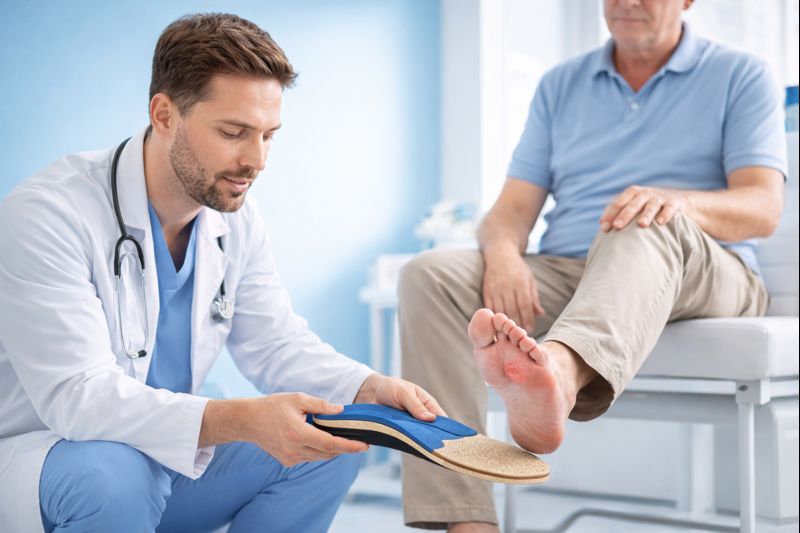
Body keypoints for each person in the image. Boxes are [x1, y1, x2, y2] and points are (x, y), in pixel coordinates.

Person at [0, 13, 445, 533]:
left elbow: (275, 342)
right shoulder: (48, 215)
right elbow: (78, 397)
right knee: (116, 476)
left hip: (162, 464)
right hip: (52, 459)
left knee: (332, 442)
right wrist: (240, 419)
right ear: (164, 115)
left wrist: (366, 389)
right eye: (234, 132)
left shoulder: (232, 219)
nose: (256, 160)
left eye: (268, 136)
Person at [398, 0, 788, 531]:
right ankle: (467, 520)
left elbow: (762, 208)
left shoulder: (741, 74)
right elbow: (510, 212)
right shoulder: (560, 85)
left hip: (704, 269)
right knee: (430, 274)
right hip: (577, 268)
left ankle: (558, 375)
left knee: (640, 216)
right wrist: (506, 256)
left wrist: (675, 203)